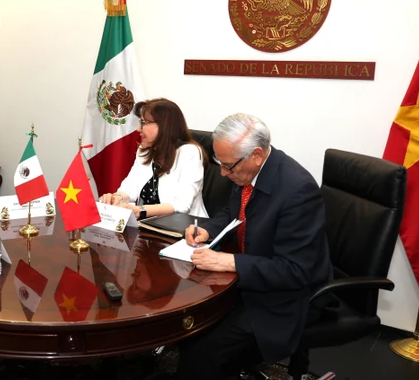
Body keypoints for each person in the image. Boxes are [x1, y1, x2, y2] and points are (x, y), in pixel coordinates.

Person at [179, 113, 332, 380]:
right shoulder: (247, 171)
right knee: (190, 327)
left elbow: (294, 271)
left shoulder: (298, 191)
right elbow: (233, 211)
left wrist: (229, 262)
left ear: (257, 155)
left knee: (202, 351)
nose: (224, 174)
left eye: (228, 166)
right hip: (252, 279)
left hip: (288, 296)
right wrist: (208, 230)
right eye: (220, 164)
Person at [98, 98, 208, 219]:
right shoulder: (144, 150)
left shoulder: (190, 153)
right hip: (147, 226)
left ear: (164, 126)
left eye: (144, 122)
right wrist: (117, 197)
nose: (139, 129)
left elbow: (181, 205)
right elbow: (130, 188)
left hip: (183, 229)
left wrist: (140, 210)